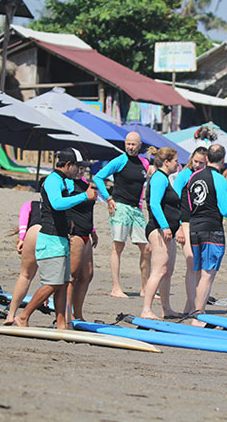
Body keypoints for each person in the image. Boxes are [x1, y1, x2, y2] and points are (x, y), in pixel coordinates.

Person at [14, 148, 97, 329]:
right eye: (77, 166)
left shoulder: (63, 181)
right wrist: (85, 196)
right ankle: (23, 316)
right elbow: (57, 204)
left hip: (61, 239)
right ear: (68, 165)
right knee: (52, 284)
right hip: (50, 239)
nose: (79, 170)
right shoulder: (53, 180)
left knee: (64, 284)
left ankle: (61, 324)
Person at [93, 132, 151, 298]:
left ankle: (145, 288)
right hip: (120, 207)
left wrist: (142, 205)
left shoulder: (144, 163)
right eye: (128, 144)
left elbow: (142, 187)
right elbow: (98, 177)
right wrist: (108, 198)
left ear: (139, 145)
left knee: (146, 248)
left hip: (136, 209)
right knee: (118, 246)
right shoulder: (119, 160)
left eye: (133, 144)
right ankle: (116, 288)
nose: (130, 147)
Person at [186, 144, 227, 327]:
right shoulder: (219, 179)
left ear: (207, 158)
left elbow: (190, 205)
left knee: (200, 272)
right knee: (208, 274)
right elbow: (224, 209)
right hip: (212, 229)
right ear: (223, 160)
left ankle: (198, 312)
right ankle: (198, 316)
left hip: (194, 227)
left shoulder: (193, 176)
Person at [140, 147, 181, 320]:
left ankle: (166, 309)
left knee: (168, 270)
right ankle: (146, 310)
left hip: (168, 231)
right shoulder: (158, 178)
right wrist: (164, 226)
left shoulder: (165, 178)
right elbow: (155, 204)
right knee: (159, 270)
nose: (177, 164)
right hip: (157, 230)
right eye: (175, 161)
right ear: (166, 162)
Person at [173, 147, 208, 314]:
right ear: (191, 159)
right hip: (185, 223)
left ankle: (190, 305)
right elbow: (174, 201)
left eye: (201, 163)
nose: (197, 165)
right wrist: (179, 226)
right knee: (192, 263)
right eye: (196, 161)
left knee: (200, 267)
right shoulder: (184, 175)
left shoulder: (207, 176)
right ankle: (191, 304)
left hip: (202, 224)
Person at [65, 155, 98, 321]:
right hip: (75, 233)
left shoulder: (85, 184)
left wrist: (93, 230)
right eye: (77, 167)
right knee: (72, 275)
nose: (80, 170)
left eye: (83, 167)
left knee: (87, 274)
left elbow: (88, 210)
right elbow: (62, 205)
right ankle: (68, 313)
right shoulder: (67, 184)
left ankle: (78, 313)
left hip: (86, 232)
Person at [3, 200, 42, 325]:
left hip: (33, 232)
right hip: (50, 234)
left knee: (25, 275)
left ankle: (10, 315)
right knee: (52, 281)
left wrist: (21, 239)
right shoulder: (59, 202)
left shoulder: (31, 204)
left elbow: (23, 221)